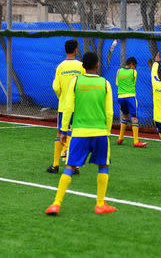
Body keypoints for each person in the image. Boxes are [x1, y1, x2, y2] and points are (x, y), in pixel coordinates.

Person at [45, 52, 116, 215]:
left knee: (70, 166)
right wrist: (107, 132)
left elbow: (68, 107)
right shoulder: (105, 84)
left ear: (83, 67)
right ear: (98, 65)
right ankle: (100, 204)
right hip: (99, 133)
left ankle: (56, 203)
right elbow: (110, 112)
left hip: (79, 133)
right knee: (103, 165)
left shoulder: (76, 82)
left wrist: (63, 130)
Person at [47, 39, 85, 174]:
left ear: (65, 50)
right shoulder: (81, 66)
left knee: (60, 132)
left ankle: (55, 165)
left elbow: (56, 87)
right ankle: (75, 166)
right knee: (76, 134)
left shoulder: (60, 67)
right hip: (78, 106)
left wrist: (62, 97)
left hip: (63, 106)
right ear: (76, 50)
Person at [116, 56, 148, 148]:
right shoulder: (133, 72)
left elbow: (117, 83)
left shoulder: (118, 71)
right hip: (130, 97)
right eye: (135, 66)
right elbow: (133, 82)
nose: (135, 68)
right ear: (131, 65)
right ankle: (136, 141)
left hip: (120, 97)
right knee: (134, 117)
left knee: (125, 116)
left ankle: (120, 138)